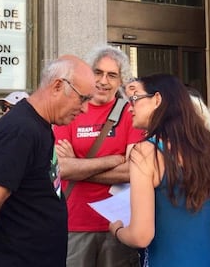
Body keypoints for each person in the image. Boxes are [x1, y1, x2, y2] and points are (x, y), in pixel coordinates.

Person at [0, 55, 96, 267]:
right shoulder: (21, 130)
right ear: (58, 86)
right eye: (82, 98)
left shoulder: (39, 125)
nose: (85, 108)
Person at [109, 74, 210, 266]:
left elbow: (141, 236)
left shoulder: (146, 152)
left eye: (135, 99)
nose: (130, 107)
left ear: (157, 99)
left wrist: (117, 229)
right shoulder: (207, 144)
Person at [54, 46, 143, 267]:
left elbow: (134, 171)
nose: (103, 81)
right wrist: (113, 161)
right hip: (75, 221)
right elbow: (61, 167)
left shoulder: (131, 113)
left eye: (112, 75)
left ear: (121, 80)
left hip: (118, 224)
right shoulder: (70, 110)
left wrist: (79, 166)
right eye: (98, 72)